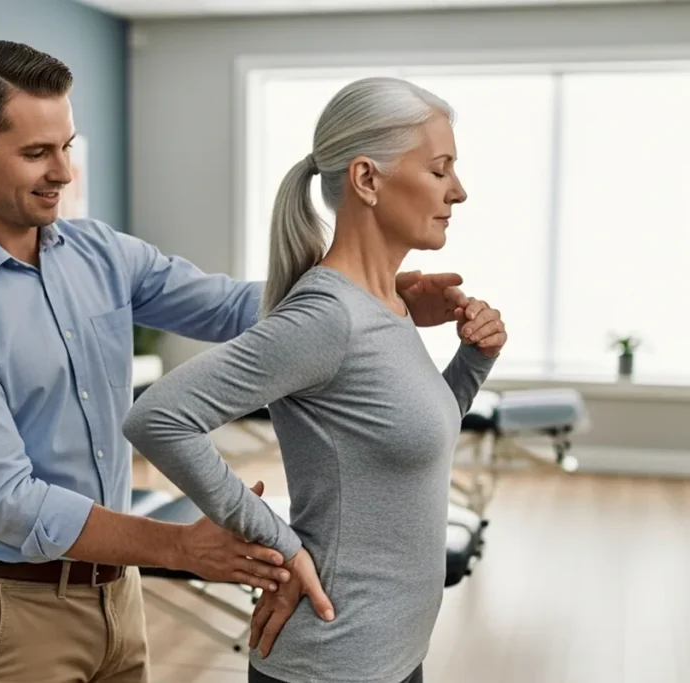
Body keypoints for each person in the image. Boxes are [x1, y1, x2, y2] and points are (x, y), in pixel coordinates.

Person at [0, 40, 481, 683]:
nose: (63, 173)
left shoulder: (98, 253)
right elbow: (12, 502)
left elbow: (234, 306)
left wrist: (372, 302)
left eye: (67, 148)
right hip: (9, 612)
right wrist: (180, 547)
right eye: (37, 154)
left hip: (117, 596)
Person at [123, 76, 507, 683]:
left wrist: (472, 360)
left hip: (394, 651)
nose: (458, 191)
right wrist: (277, 538)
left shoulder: (385, 304)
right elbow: (157, 417)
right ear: (367, 180)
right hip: (335, 660)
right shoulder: (327, 316)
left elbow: (412, 449)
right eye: (439, 170)